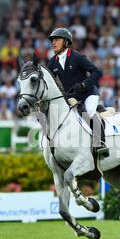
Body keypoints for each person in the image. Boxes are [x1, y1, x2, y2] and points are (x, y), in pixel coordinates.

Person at [47, 27, 108, 158]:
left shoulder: (77, 57)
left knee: (88, 112)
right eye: (52, 41)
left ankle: (101, 142)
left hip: (88, 93)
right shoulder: (52, 62)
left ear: (66, 42)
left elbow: (97, 72)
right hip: (71, 97)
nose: (53, 43)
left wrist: (84, 84)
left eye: (57, 40)